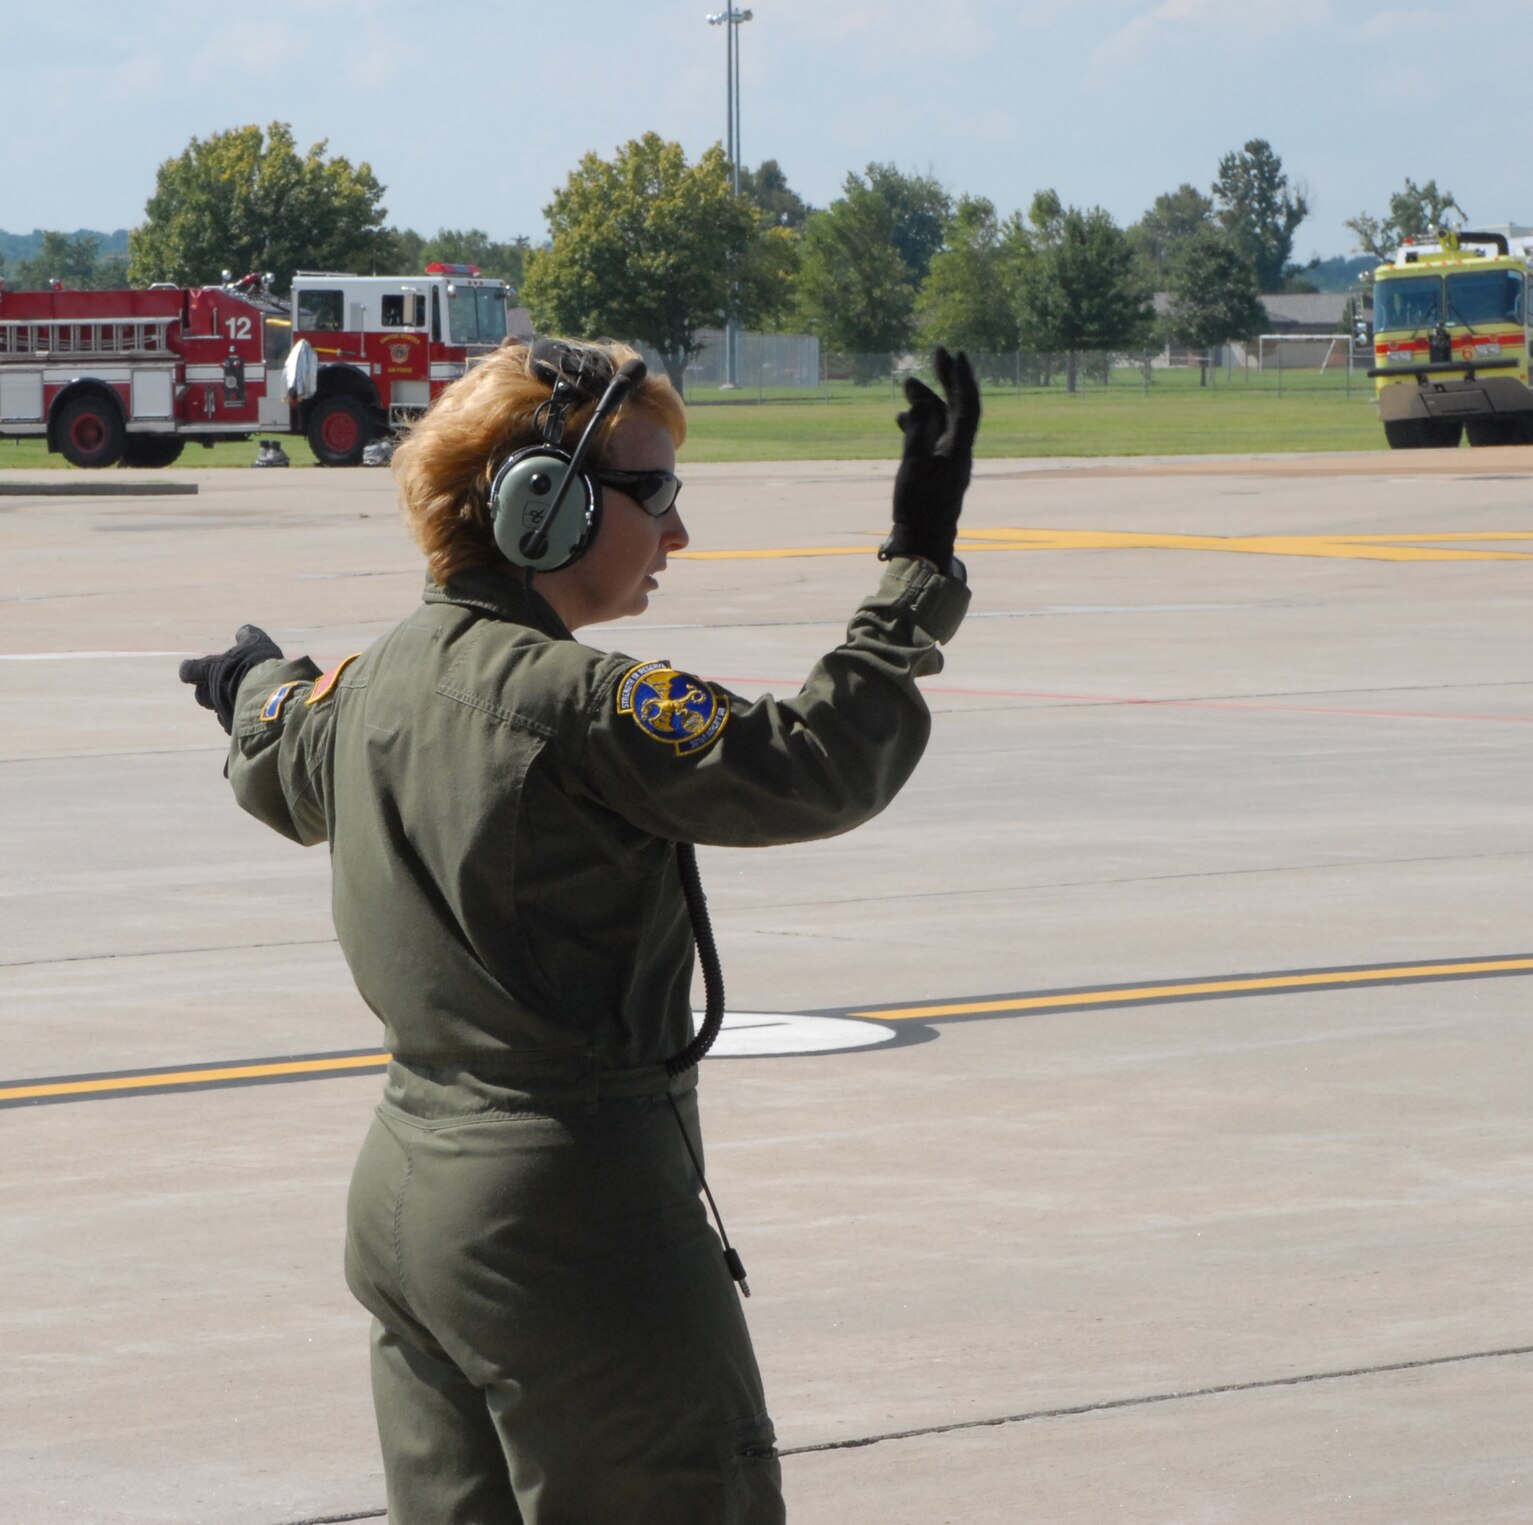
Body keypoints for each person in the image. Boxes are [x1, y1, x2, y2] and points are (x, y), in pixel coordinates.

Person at [178, 337, 980, 1523]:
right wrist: (917, 559)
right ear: (538, 506)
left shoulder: (371, 686)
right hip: (573, 1215)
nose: (677, 533)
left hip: (410, 1207)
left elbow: (272, 738)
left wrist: (253, 677)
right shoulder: (575, 701)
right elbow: (819, 765)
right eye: (653, 494)